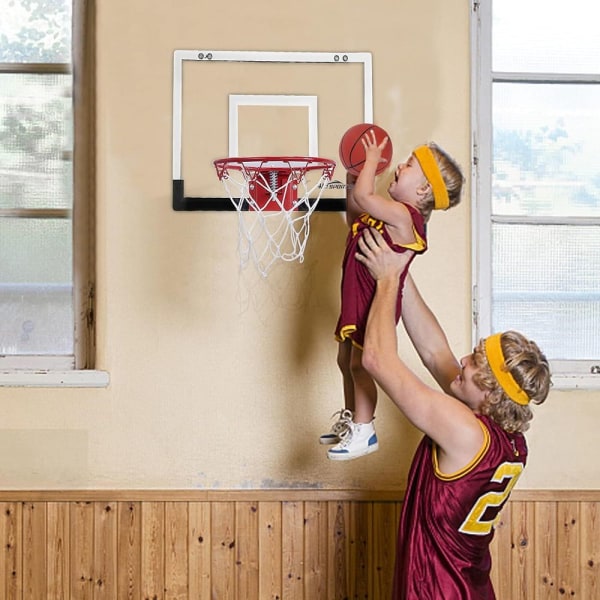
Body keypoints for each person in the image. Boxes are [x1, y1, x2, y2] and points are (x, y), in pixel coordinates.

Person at [356, 227, 551, 599]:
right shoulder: (505, 439)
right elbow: (434, 352)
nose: (463, 360)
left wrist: (385, 281)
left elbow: (376, 359)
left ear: (491, 392)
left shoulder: (464, 430)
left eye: (475, 362)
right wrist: (400, 270)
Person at [323, 130, 464, 460]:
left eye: (408, 165)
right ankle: (352, 419)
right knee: (345, 360)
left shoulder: (404, 217)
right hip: (357, 294)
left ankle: (365, 428)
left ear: (423, 189)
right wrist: (353, 172)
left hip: (373, 301)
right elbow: (356, 215)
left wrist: (370, 163)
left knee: (360, 364)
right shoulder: (390, 215)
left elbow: (364, 199)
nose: (398, 167)